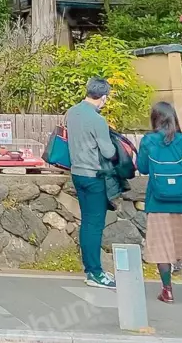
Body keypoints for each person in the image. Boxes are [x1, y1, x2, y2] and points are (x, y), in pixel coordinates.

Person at [136, 101, 182, 306]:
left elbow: (142, 167)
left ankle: (167, 292)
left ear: (154, 119)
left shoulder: (148, 141)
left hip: (158, 203)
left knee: (162, 247)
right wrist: (181, 182)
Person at [65, 76, 119, 289]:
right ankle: (95, 272)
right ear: (103, 98)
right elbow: (108, 151)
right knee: (95, 224)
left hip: (77, 172)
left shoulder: (72, 112)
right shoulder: (98, 120)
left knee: (87, 222)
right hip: (94, 175)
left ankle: (90, 269)